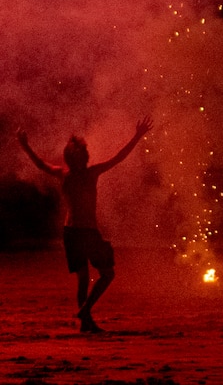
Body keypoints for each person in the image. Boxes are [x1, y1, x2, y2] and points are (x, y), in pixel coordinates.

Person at [17, 117, 153, 332]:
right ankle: (85, 319)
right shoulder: (67, 174)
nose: (80, 160)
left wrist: (137, 136)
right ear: (71, 158)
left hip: (83, 232)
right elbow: (40, 164)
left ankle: (85, 312)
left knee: (103, 274)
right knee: (87, 277)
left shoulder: (89, 173)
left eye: (82, 156)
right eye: (77, 156)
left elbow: (118, 158)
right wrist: (25, 146)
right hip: (77, 232)